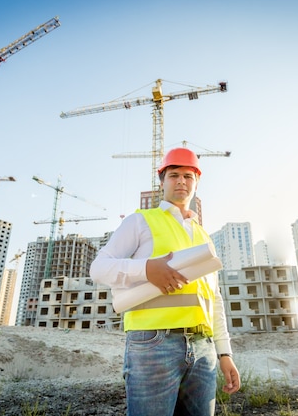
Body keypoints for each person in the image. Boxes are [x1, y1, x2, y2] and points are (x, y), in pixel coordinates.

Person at [90, 147, 240, 416]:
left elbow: (213, 299)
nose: (181, 181)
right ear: (162, 182)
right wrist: (147, 270)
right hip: (153, 344)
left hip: (203, 348)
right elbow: (99, 268)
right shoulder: (140, 221)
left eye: (188, 176)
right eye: (173, 175)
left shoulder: (204, 236)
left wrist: (224, 353)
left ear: (196, 182)